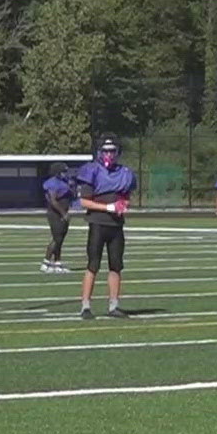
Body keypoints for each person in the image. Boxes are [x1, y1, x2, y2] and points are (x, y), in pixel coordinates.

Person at [75, 135, 136, 320]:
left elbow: (126, 196)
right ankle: (85, 305)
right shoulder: (92, 170)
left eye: (112, 151)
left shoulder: (125, 173)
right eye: (106, 151)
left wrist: (123, 205)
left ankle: (114, 305)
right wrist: (108, 207)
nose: (109, 154)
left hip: (116, 225)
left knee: (116, 266)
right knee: (93, 265)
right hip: (98, 223)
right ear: (100, 152)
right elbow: (84, 201)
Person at [41, 162, 75, 273]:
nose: (65, 174)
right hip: (55, 213)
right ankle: (46, 262)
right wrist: (63, 213)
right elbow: (53, 201)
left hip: (63, 212)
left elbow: (72, 195)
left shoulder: (65, 182)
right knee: (57, 239)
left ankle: (57, 263)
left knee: (60, 239)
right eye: (63, 171)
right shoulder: (52, 183)